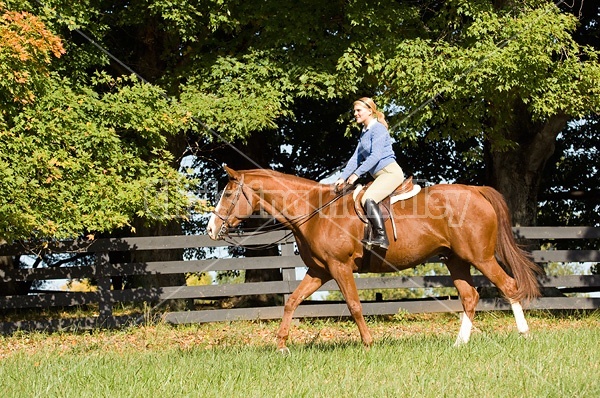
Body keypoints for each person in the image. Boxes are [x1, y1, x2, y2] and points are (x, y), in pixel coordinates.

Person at [334, 97, 405, 249]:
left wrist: (356, 174)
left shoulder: (378, 128)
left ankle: (381, 237)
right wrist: (342, 177)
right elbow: (355, 157)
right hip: (380, 175)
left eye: (358, 110)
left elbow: (375, 156)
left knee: (368, 197)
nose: (355, 114)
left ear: (370, 111)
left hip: (390, 173)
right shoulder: (364, 132)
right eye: (354, 111)